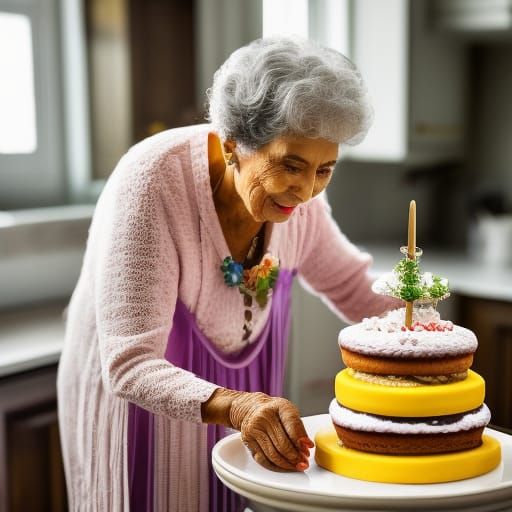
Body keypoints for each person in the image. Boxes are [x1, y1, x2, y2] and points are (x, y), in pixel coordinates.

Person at [57, 36, 398, 512]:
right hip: (141, 405)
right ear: (232, 141)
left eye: (325, 170)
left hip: (238, 408)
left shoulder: (301, 203)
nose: (305, 192)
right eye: (291, 166)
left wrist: (424, 326)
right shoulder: (153, 182)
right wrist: (238, 405)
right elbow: (131, 363)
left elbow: (353, 289)